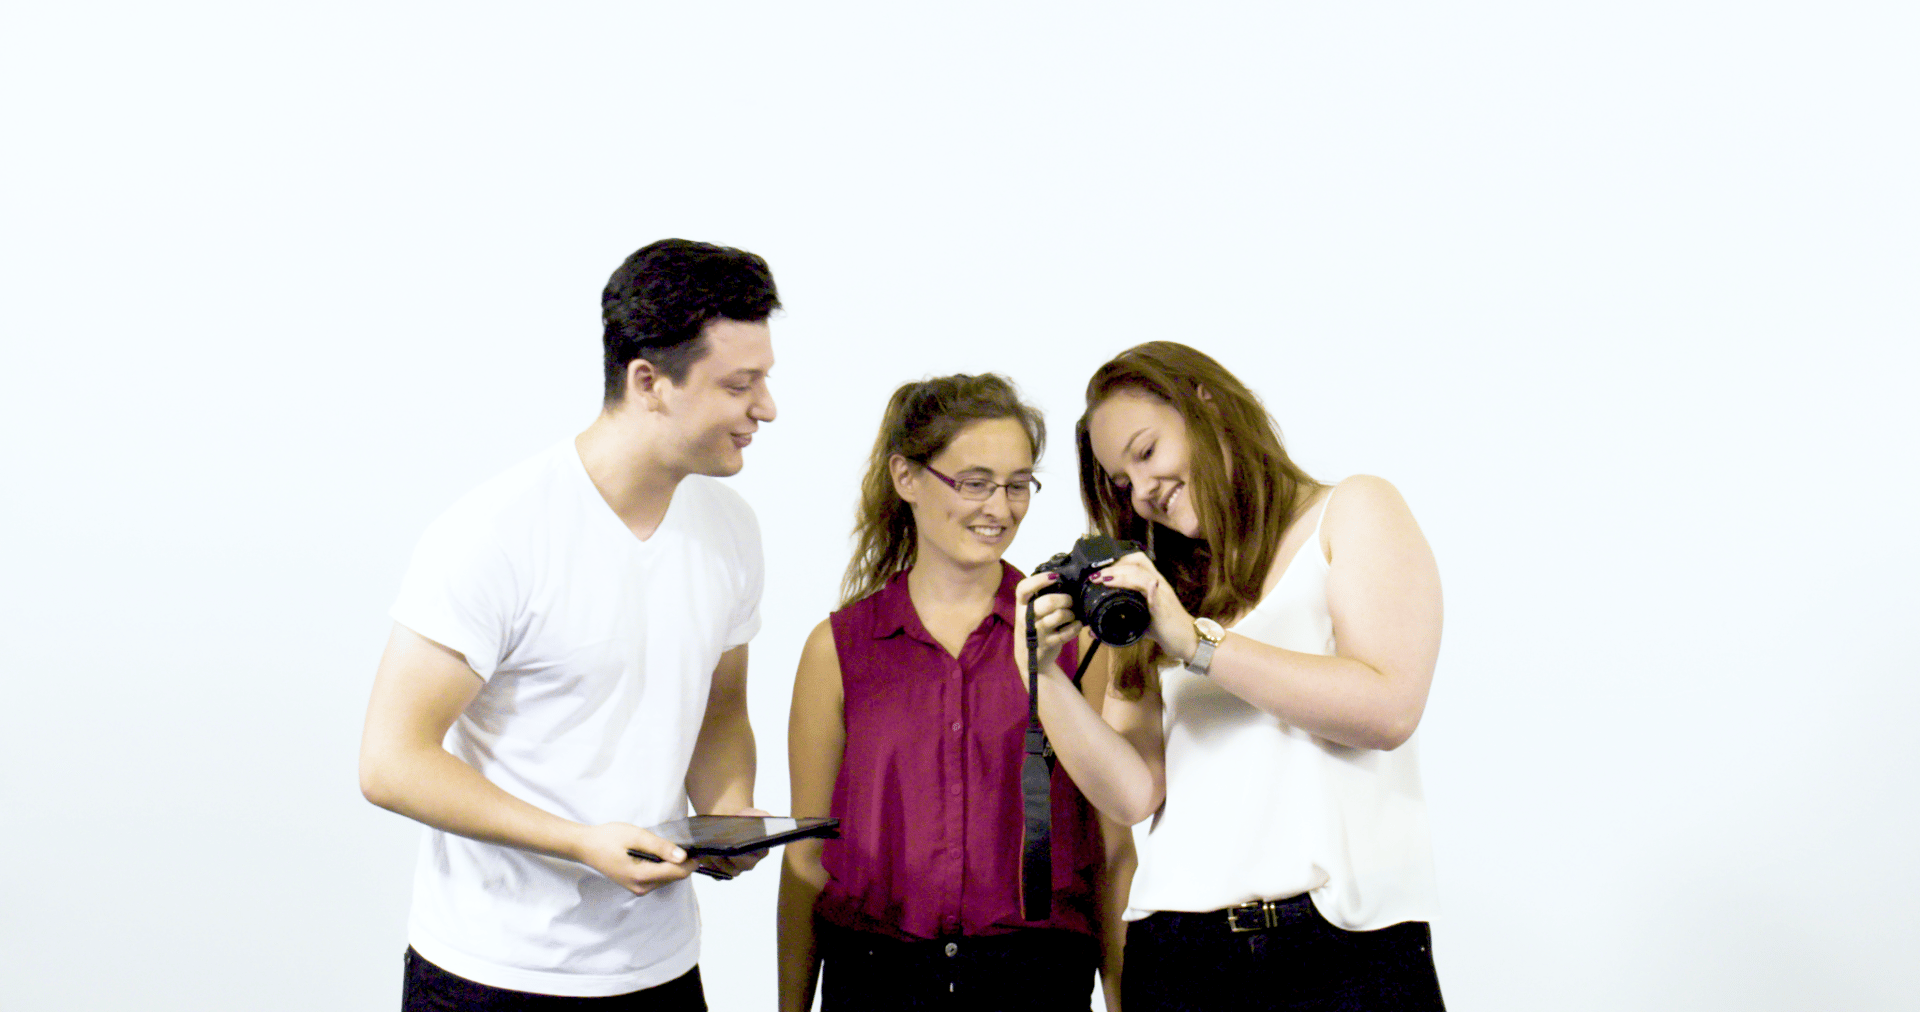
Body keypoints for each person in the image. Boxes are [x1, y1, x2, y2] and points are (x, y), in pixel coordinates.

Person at [357, 238, 781, 1010]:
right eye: (740, 385)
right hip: (491, 975)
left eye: (765, 381)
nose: (766, 409)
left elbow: (720, 709)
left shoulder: (732, 528)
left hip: (659, 969)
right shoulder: (496, 533)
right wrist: (580, 843)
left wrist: (729, 812)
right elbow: (391, 762)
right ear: (649, 381)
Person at [1014, 341, 1447, 1011]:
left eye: (1147, 451)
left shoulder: (1352, 513)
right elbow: (1132, 795)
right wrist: (1042, 678)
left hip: (1344, 953)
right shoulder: (1155, 593)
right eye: (1121, 483)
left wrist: (1199, 646)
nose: (1142, 491)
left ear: (1207, 407)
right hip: (1180, 957)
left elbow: (1388, 708)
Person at [779, 375, 1133, 1012]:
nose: (1000, 508)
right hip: (874, 978)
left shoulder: (1076, 643)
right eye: (975, 482)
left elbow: (1111, 852)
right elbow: (806, 863)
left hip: (1035, 980)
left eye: (1018, 484)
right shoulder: (837, 650)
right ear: (907, 477)